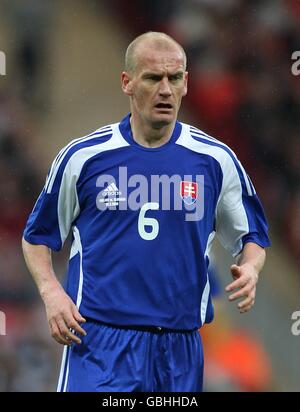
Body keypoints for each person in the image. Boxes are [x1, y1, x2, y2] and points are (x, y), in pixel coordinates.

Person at [22, 31, 270, 392]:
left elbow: (253, 236)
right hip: (99, 343)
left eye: (174, 78)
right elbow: (37, 238)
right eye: (153, 78)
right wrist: (52, 293)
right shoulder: (84, 158)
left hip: (179, 348)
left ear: (186, 83)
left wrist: (250, 268)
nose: (165, 90)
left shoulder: (216, 161)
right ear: (128, 82)